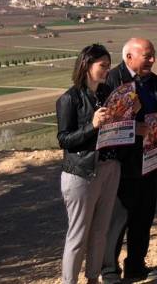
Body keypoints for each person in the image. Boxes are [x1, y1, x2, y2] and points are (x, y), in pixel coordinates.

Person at [102, 39, 157, 282]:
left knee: (144, 216)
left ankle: (136, 265)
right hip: (123, 161)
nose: (152, 60)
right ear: (129, 57)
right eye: (147, 56)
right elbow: (107, 122)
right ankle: (109, 269)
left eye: (153, 56)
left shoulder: (154, 83)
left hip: (151, 158)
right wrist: (134, 128)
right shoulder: (113, 80)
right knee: (119, 218)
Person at [57, 44, 120, 284]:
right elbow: (64, 140)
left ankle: (93, 278)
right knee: (78, 235)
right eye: (102, 65)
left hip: (109, 167)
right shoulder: (69, 99)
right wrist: (92, 125)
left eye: (108, 65)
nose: (107, 70)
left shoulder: (106, 94)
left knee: (100, 232)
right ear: (86, 65)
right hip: (82, 173)